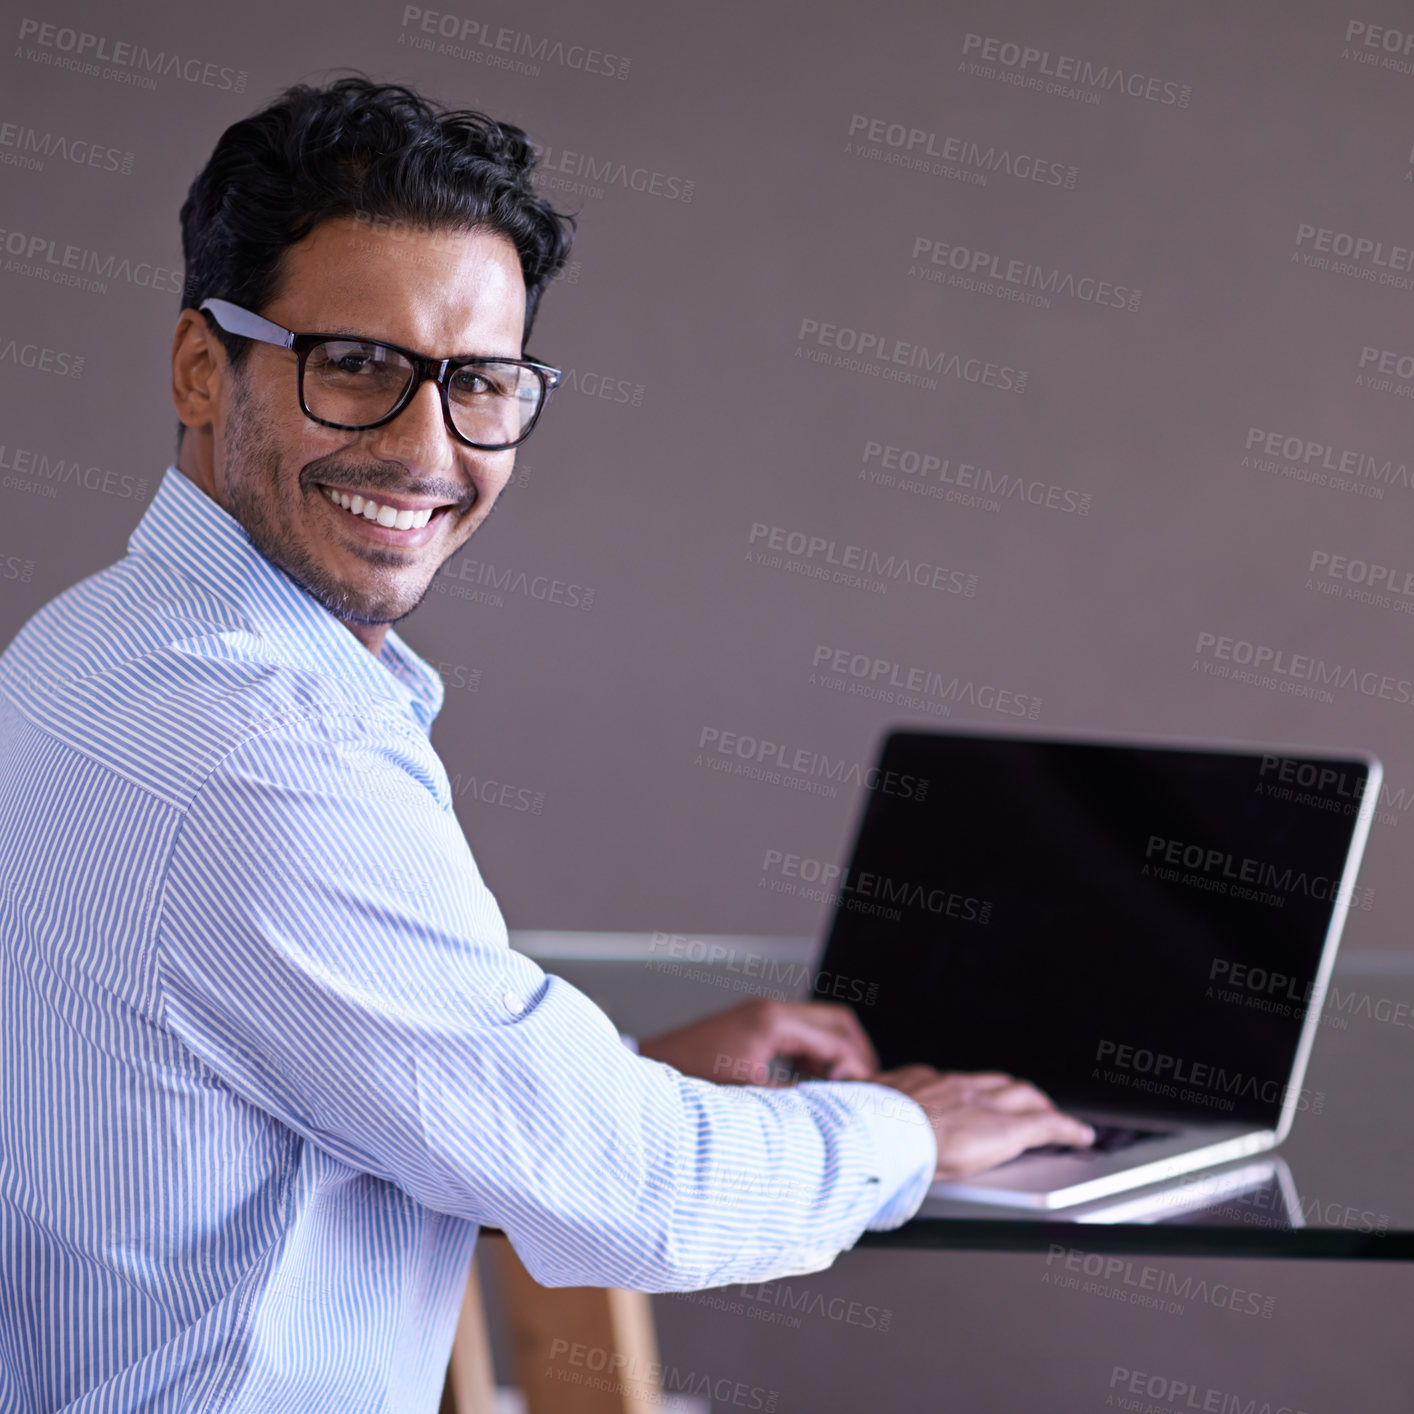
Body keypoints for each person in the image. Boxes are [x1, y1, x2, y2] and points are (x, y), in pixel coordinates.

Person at [0, 76, 1093, 1410]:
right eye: (354, 366)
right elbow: (630, 1193)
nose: (426, 448)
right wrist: (910, 1130)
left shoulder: (85, 646)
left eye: (482, 383)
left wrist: (604, 1083)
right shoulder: (259, 753)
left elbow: (282, 1078)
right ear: (197, 364)